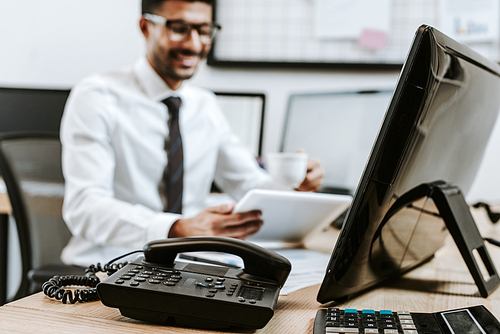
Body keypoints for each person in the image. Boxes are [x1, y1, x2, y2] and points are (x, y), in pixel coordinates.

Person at [60, 0, 324, 266]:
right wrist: (177, 228)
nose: (194, 44)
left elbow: (248, 184)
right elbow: (84, 207)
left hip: (190, 268)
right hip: (108, 265)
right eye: (179, 28)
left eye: (203, 30)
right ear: (145, 26)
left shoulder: (204, 104)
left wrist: (293, 184)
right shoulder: (96, 96)